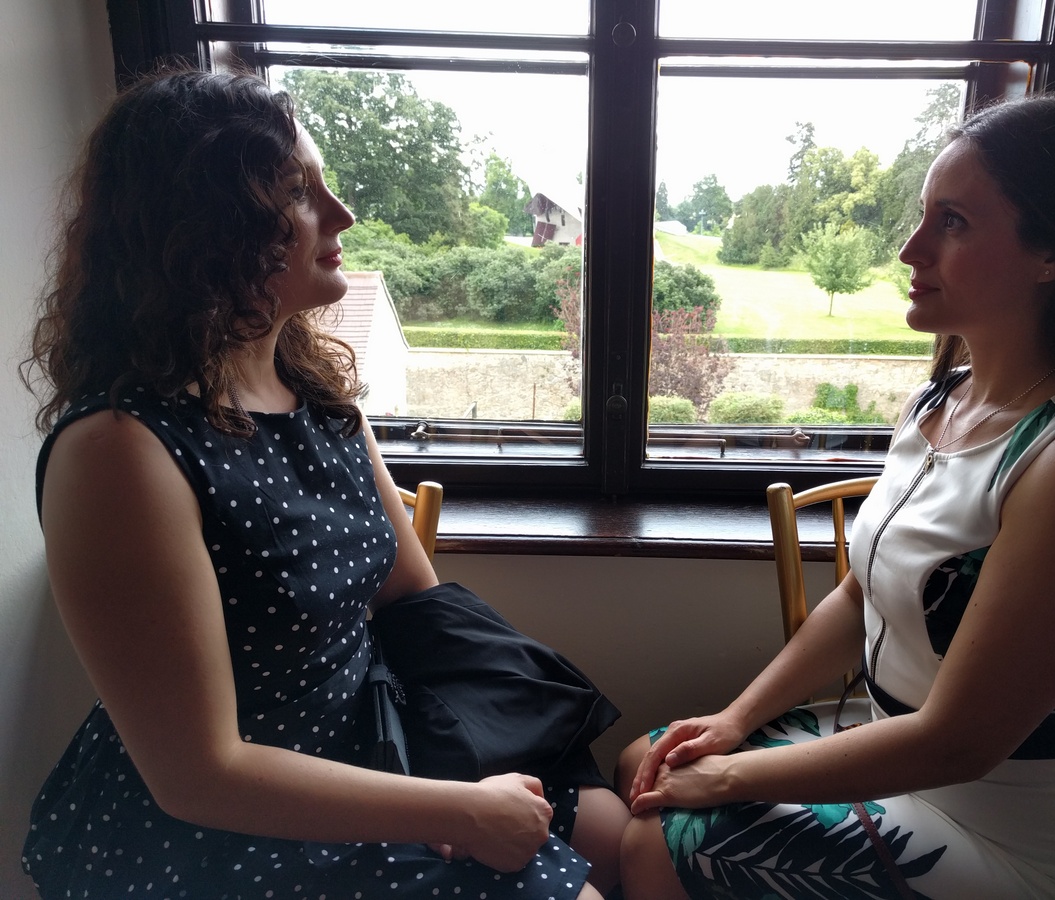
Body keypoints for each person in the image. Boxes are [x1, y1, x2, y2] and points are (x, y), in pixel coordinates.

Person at [20, 68, 629, 899]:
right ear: (204, 231)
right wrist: (457, 810)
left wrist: (511, 753)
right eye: (300, 194)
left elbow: (416, 604)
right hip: (226, 828)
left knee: (620, 837)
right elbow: (199, 774)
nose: (342, 215)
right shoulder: (118, 452)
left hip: (367, 738)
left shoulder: (315, 397)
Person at [617, 92, 1055, 899]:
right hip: (902, 757)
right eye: (923, 216)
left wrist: (730, 779)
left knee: (661, 834)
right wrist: (735, 720)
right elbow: (858, 596)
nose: (910, 248)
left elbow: (960, 743)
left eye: (953, 222)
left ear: (1053, 252)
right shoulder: (938, 401)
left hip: (1018, 837)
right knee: (645, 760)